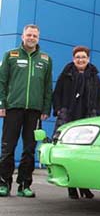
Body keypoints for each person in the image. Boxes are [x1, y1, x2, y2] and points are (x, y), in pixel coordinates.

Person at [0, 24, 52, 198]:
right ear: (23, 36)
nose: (31, 38)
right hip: (13, 108)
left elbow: (47, 86)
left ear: (38, 38)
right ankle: (3, 183)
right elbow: (2, 81)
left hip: (35, 111)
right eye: (29, 35)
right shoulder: (11, 56)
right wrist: (1, 104)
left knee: (29, 149)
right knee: (8, 148)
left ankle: (24, 185)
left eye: (35, 36)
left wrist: (46, 108)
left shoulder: (45, 59)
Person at [52, 46, 100, 199]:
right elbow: (57, 94)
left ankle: (84, 186)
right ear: (73, 59)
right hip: (69, 118)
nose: (80, 60)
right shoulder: (66, 74)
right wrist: (59, 110)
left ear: (88, 59)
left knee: (85, 155)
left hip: (87, 119)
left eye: (83, 57)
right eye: (77, 57)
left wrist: (97, 113)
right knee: (70, 154)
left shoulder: (94, 75)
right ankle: (72, 187)